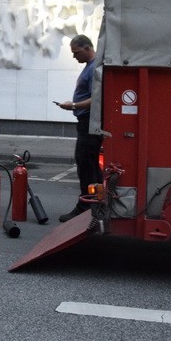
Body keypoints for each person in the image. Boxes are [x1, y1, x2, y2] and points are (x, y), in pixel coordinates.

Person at [56, 34, 103, 222]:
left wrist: (73, 106)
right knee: (90, 164)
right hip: (87, 123)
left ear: (86, 48)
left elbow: (96, 99)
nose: (74, 57)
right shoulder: (91, 67)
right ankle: (98, 201)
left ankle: (86, 205)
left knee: (85, 164)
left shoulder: (94, 69)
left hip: (89, 123)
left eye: (76, 53)